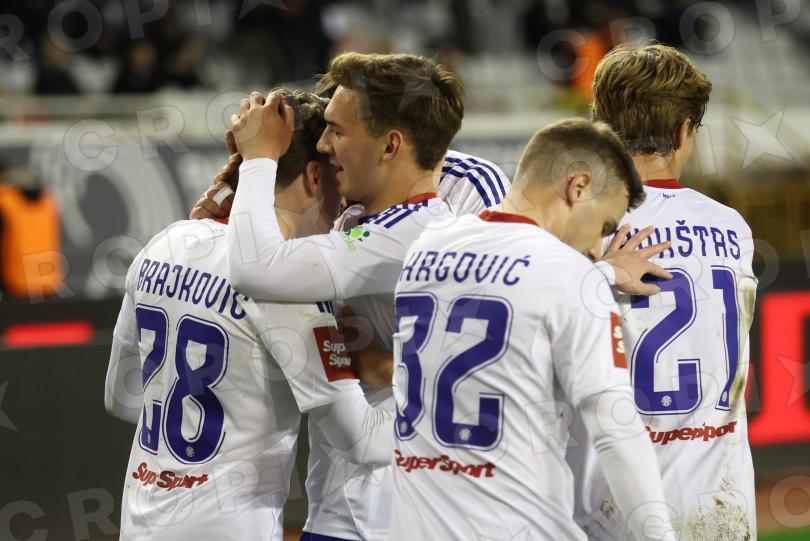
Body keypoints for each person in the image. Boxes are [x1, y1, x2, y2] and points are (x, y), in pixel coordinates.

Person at [104, 90, 393, 541]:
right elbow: (364, 440)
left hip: (141, 521)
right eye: (339, 175)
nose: (346, 204)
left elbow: (121, 399)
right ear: (314, 177)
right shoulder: (288, 285)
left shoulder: (166, 242)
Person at [389, 118, 675, 540]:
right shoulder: (571, 274)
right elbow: (617, 430)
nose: (596, 247)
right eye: (603, 226)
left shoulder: (426, 248)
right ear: (578, 187)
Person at [581, 43, 757, 539]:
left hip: (613, 508)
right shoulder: (732, 227)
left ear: (600, 127)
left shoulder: (582, 222)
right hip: (722, 504)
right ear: (683, 132)